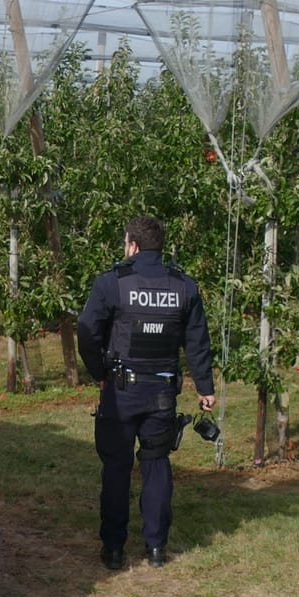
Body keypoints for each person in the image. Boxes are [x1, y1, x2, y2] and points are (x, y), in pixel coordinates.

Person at [75, 216, 215, 569]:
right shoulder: (185, 286)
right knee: (156, 465)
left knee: (117, 468)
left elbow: (87, 330)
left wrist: (99, 373)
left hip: (121, 392)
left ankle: (114, 548)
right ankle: (156, 547)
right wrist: (205, 388)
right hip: (162, 394)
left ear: (133, 246)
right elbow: (197, 342)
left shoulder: (112, 283)